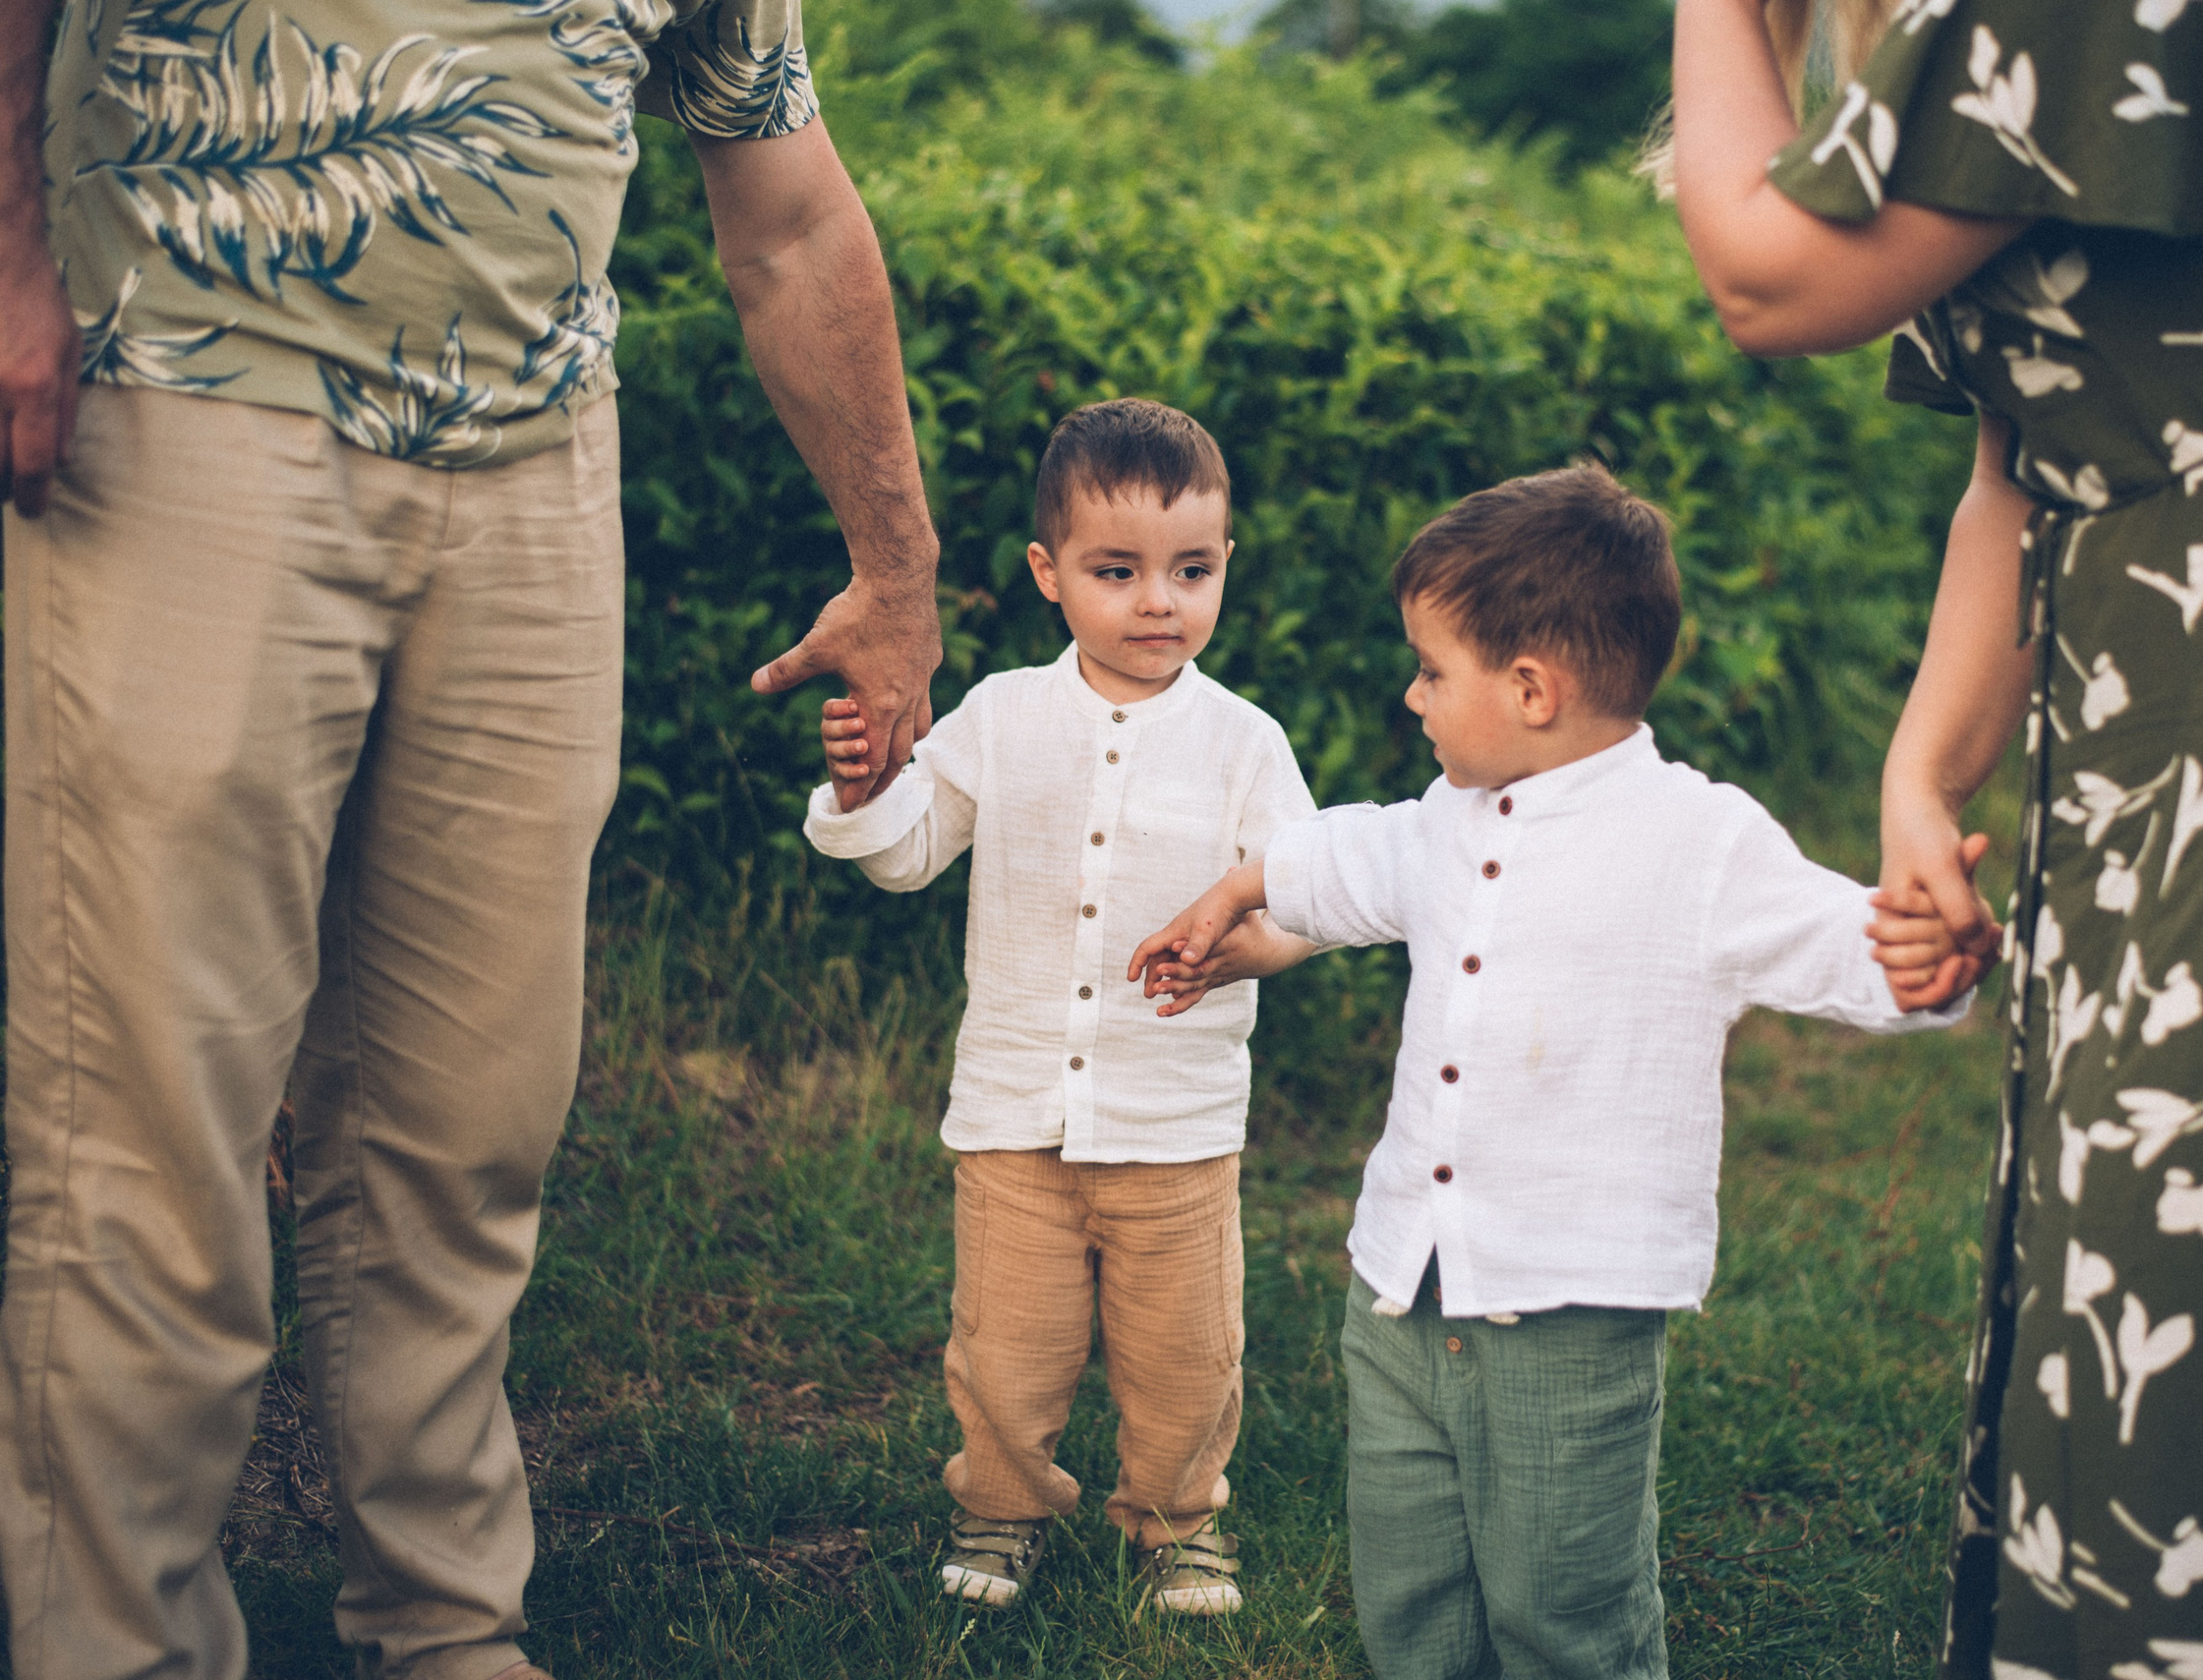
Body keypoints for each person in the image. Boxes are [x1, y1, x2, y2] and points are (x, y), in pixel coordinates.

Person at [0, 1, 941, 1675]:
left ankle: (445, 1625)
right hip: (187, 405)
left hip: (535, 466)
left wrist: (896, 566)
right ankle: (118, 1641)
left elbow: (789, 210)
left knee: (471, 1110)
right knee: (152, 1119)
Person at [1659, 0, 2203, 1675]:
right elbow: (2028, 453)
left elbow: (1769, 280)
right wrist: (1927, 774)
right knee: (2157, 1266)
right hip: (2195, 693)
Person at [1129, 463, 1972, 1680]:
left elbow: (1846, 949)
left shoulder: (1697, 839)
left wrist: (1926, 957)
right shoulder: (1449, 812)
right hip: (1403, 1292)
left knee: (1563, 1614)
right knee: (1413, 1601)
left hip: (1570, 1311)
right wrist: (1231, 904)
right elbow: (1340, 857)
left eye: (1430, 668)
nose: (1409, 692)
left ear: (1530, 688)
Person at [805, 399, 1315, 1613]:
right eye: (1117, 571)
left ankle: (1177, 1521)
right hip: (1012, 1112)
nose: (1158, 601)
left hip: (1176, 1122)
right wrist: (866, 782)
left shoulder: (1244, 742)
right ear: (1049, 573)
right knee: (1004, 1350)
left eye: (1191, 571)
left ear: (1225, 565)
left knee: (1185, 1355)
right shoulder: (1003, 714)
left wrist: (1246, 951)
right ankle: (1001, 1505)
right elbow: (910, 853)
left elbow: (1304, 896)